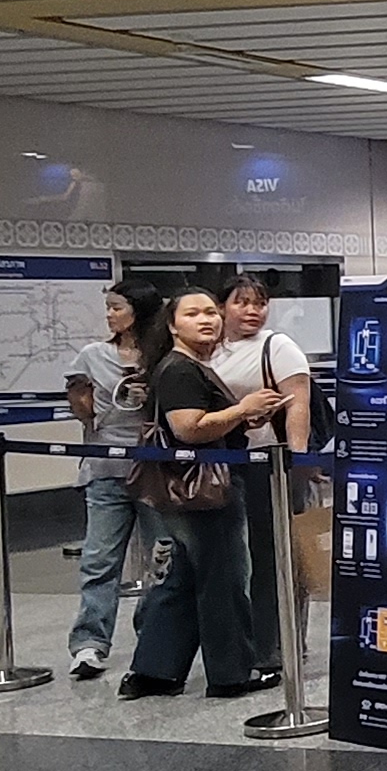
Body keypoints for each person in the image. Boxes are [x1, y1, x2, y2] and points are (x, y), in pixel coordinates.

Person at [122, 288, 279, 698]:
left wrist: (240, 418)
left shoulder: (186, 367)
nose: (206, 319)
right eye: (192, 314)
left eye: (210, 312)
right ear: (173, 325)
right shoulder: (180, 370)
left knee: (183, 578)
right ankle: (232, 673)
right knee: (222, 578)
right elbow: (188, 428)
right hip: (204, 490)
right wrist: (242, 409)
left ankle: (154, 670)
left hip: (186, 488)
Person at [213, 274, 315, 675]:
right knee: (232, 557)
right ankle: (243, 640)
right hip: (223, 463)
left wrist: (296, 461)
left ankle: (277, 644)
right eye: (241, 302)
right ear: (223, 307)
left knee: (275, 555)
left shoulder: (278, 346)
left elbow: (298, 405)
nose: (252, 311)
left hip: (269, 463)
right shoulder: (210, 350)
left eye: (259, 303)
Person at [60, 283, 157, 678]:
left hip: (154, 470)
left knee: (160, 560)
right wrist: (82, 401)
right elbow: (81, 406)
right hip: (105, 470)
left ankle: (154, 636)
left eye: (117, 307)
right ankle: (89, 643)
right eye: (109, 308)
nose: (110, 315)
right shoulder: (92, 356)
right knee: (100, 559)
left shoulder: (161, 354)